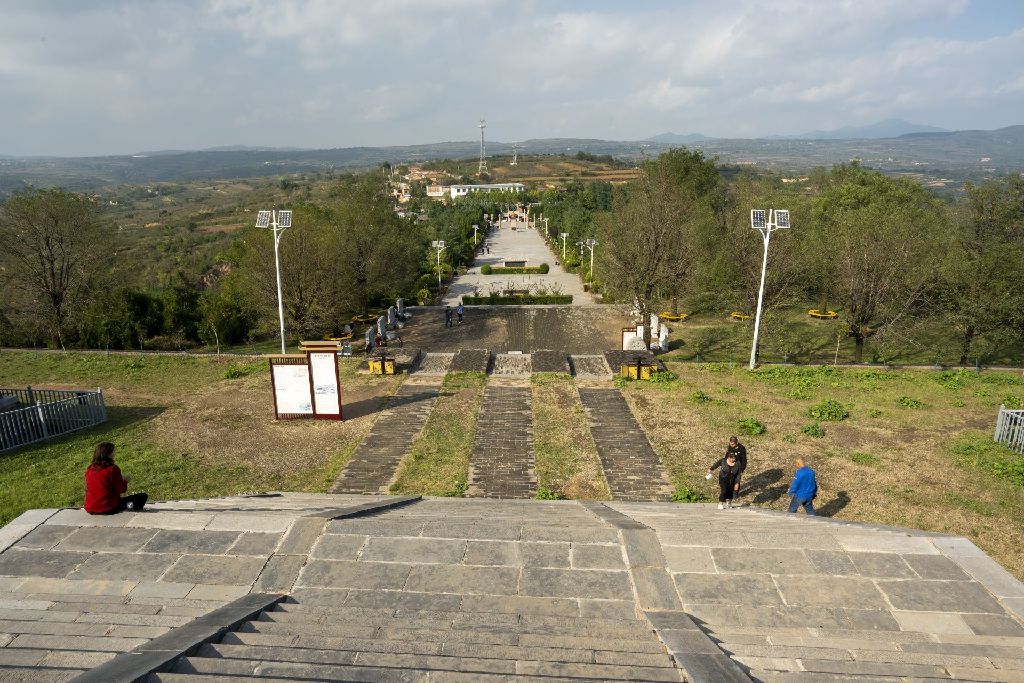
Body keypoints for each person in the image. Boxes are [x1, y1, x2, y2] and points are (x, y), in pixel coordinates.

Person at [84, 442, 147, 514]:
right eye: (113, 451)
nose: (115, 453)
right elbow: (121, 489)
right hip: (107, 507)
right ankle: (128, 506)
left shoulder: (89, 469)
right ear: (109, 454)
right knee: (142, 497)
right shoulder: (112, 469)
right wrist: (125, 481)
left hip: (90, 507)